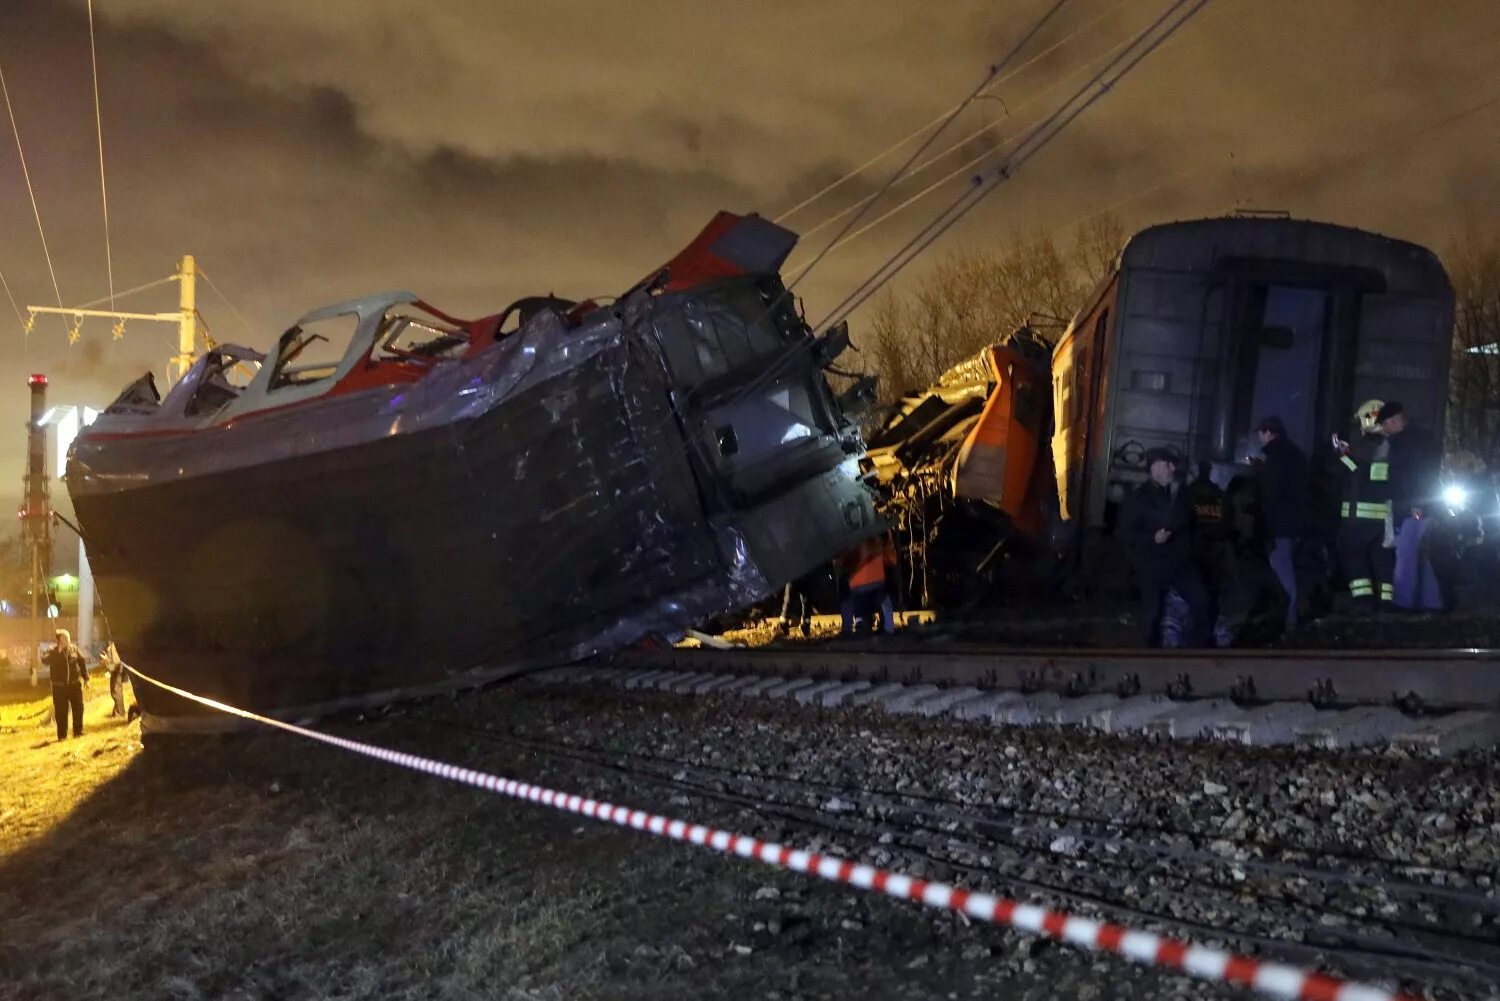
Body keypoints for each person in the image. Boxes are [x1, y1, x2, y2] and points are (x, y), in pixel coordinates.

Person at [1120, 448, 1210, 647]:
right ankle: (1151, 658)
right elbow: (1125, 533)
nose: (1172, 468)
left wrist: (1193, 551)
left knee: (1202, 603)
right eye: (1168, 464)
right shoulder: (1139, 498)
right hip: (1153, 565)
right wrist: (1152, 538)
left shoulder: (1181, 495)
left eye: (1173, 464)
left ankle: (1192, 652)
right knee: (1152, 615)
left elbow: (1192, 525)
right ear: (1155, 468)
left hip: (1181, 562)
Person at [1379, 400, 1444, 611]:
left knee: (1406, 555)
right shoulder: (1417, 438)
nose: (1384, 428)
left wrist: (1416, 506)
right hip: (1417, 507)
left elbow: (1417, 474)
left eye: (1386, 423)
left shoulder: (1409, 441)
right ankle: (1432, 602)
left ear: (1397, 420)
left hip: (1414, 509)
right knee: (1421, 555)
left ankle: (1403, 602)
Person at [1331, 400, 1396, 612]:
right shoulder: (1391, 447)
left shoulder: (1368, 446)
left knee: (1353, 557)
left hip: (1358, 520)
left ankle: (1363, 603)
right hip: (1383, 521)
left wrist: (1342, 456)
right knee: (1383, 561)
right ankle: (1387, 603)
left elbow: (1360, 473)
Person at [1253, 415, 1310, 632]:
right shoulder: (1297, 455)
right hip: (1295, 523)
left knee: (1282, 571)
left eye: (1260, 433)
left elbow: (1271, 493)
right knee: (1288, 569)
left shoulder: (1276, 457)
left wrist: (1262, 519)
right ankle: (1289, 616)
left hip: (1279, 525)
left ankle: (1288, 620)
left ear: (1268, 432)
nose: (1259, 437)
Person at [1186, 460, 1234, 646]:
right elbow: (1228, 520)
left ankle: (1196, 636)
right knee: (1213, 593)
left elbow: (1183, 519)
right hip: (1216, 549)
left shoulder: (1189, 493)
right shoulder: (1219, 494)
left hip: (1196, 548)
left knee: (1198, 595)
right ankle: (1207, 634)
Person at [839, 533, 898, 636]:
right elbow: (890, 558)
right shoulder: (881, 532)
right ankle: (888, 628)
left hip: (857, 583)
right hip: (877, 580)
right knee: (885, 603)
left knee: (851, 603)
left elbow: (842, 560)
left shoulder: (848, 533)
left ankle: (854, 628)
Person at [42, 628, 89, 741]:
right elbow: (44, 661)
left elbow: (82, 663)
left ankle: (78, 731)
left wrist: (86, 678)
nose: (67, 641)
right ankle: (62, 735)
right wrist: (57, 652)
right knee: (61, 712)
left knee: (78, 708)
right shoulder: (52, 650)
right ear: (59, 640)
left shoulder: (74, 649)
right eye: (64, 639)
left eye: (68, 638)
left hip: (74, 685)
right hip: (59, 687)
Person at [103, 642, 129, 717]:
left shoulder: (114, 645)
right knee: (115, 691)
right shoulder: (112, 645)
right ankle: (118, 711)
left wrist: (106, 660)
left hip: (117, 671)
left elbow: (116, 661)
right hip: (116, 671)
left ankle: (119, 713)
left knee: (116, 691)